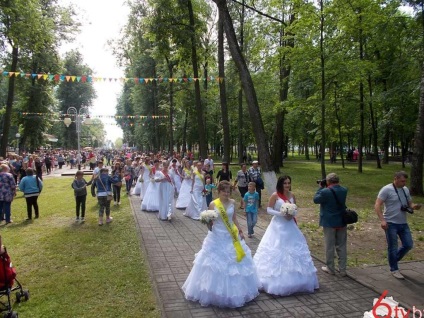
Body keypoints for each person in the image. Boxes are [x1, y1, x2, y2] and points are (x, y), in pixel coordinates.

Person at [182, 181, 260, 308]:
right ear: (218, 191)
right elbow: (210, 223)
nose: (226, 193)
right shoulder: (213, 204)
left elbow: (234, 218)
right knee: (213, 264)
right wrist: (207, 221)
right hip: (217, 236)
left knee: (236, 262)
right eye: (224, 191)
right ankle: (213, 292)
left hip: (231, 235)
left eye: (228, 191)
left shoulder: (233, 203)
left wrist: (240, 230)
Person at [254, 175, 319, 295]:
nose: (287, 185)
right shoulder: (275, 195)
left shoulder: (292, 195)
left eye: (289, 183)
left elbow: (296, 209)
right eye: (285, 183)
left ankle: (299, 281)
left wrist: (292, 213)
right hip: (278, 226)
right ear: (281, 184)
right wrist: (281, 213)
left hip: (290, 226)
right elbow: (269, 209)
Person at [374, 171, 422, 279]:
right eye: (402, 181)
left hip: (403, 222)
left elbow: (410, 203)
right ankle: (394, 269)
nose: (404, 183)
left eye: (405, 181)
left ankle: (393, 260)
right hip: (390, 223)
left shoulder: (405, 190)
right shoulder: (386, 189)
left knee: (408, 244)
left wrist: (414, 206)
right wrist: (382, 220)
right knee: (393, 246)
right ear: (395, 179)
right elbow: (377, 205)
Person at [313, 173, 348, 276]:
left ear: (328, 181)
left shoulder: (325, 191)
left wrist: (320, 188)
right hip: (342, 221)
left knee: (330, 246)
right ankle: (342, 270)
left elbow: (315, 200)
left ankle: (330, 268)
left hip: (329, 222)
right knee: (341, 246)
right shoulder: (344, 190)